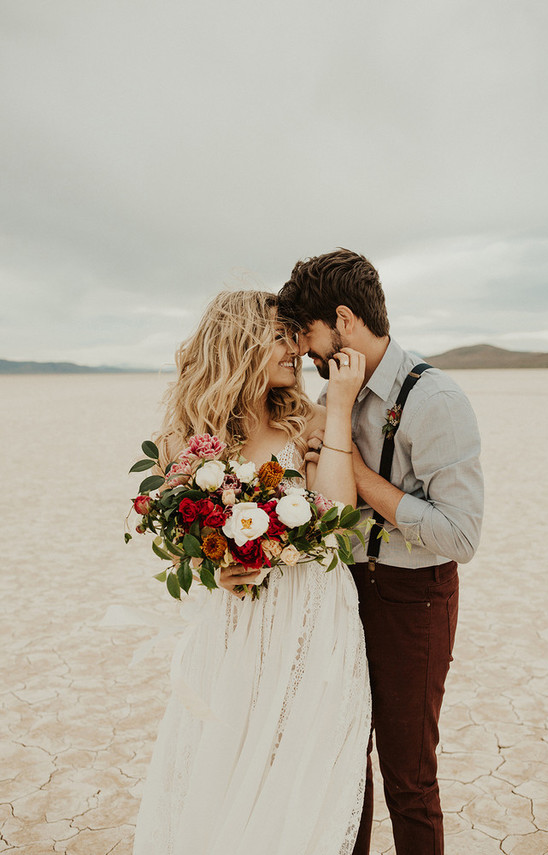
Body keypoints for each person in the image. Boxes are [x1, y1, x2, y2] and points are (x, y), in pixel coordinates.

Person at [132, 290, 371, 855]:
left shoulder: (309, 422)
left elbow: (336, 520)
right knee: (225, 762)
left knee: (303, 770)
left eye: (294, 334)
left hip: (314, 617)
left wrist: (337, 411)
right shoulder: (183, 441)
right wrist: (211, 569)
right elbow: (175, 543)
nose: (294, 348)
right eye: (279, 335)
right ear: (238, 344)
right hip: (237, 629)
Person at [278, 249, 484, 855]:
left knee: (409, 780)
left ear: (343, 320)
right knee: (345, 771)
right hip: (343, 595)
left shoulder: (435, 400)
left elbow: (461, 537)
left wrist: (364, 480)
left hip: (412, 600)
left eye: (309, 334)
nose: (306, 353)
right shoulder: (334, 397)